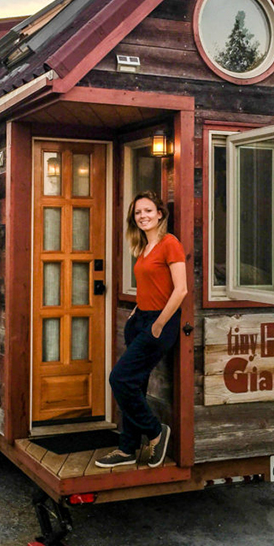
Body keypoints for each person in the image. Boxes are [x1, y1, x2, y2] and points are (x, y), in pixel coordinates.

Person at [96, 191, 187, 469]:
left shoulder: (170, 243)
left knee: (120, 379)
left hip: (160, 323)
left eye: (148, 211)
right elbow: (152, 284)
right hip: (142, 319)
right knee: (134, 384)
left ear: (160, 214)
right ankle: (127, 449)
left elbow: (180, 289)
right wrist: (138, 308)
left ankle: (155, 431)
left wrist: (159, 323)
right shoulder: (144, 247)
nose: (143, 216)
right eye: (138, 213)